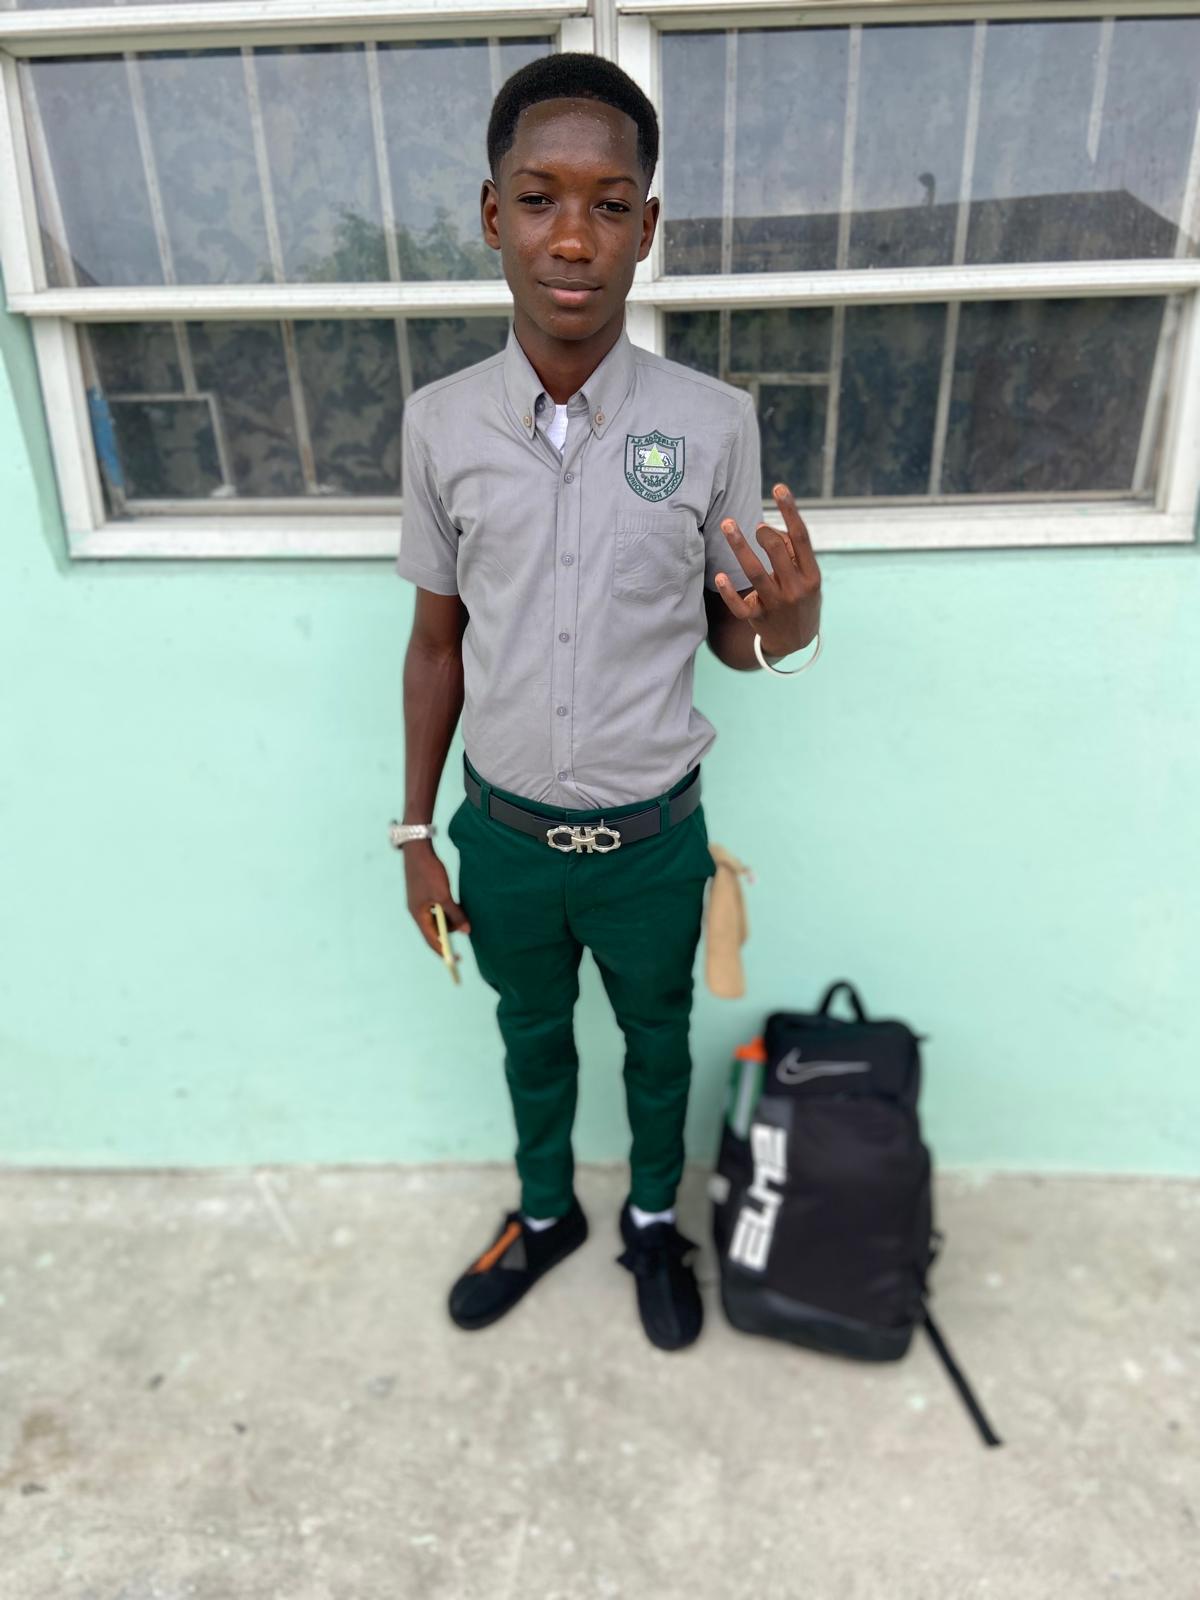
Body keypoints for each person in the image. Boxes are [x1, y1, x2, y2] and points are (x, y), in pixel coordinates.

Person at [393, 53, 822, 1351]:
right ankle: (543, 1214)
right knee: (530, 1037)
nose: (572, 238)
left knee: (657, 1045)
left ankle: (646, 1221)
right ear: (493, 215)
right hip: (506, 843)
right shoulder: (439, 426)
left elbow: (737, 639)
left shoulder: (713, 424)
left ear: (649, 226)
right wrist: (415, 835)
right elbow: (435, 646)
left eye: (610, 204)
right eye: (539, 199)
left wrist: (792, 620)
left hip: (650, 846)